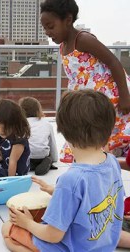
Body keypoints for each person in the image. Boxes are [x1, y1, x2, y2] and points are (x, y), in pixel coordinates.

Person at [2, 89, 124, 251]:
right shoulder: (112, 162)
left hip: (72, 247)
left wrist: (28, 223)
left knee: (8, 229)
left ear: (65, 133)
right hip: (102, 244)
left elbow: (53, 235)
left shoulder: (71, 179)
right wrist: (56, 191)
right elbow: (93, 197)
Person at [39, 0, 130, 164]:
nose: (47, 32)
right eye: (44, 28)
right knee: (85, 138)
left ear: (67, 20)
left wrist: (125, 96)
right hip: (89, 100)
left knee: (102, 137)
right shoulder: (63, 46)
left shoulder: (83, 39)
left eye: (51, 26)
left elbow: (113, 63)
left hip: (110, 97)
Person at [18, 97, 58, 176]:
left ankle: (29, 166)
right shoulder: (47, 123)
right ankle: (47, 161)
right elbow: (52, 144)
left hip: (25, 157)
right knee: (48, 156)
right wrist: (54, 158)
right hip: (41, 156)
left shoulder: (20, 124)